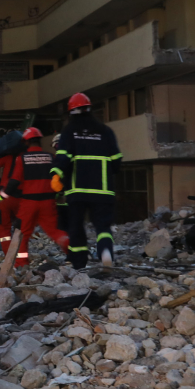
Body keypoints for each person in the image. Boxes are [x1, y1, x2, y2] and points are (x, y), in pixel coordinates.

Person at [55, 93, 122, 268]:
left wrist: (56, 175)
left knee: (76, 226)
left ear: (71, 111)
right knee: (103, 226)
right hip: (103, 189)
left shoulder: (69, 131)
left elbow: (63, 157)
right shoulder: (106, 131)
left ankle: (79, 263)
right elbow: (117, 160)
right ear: (89, 108)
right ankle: (106, 251)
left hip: (77, 189)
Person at [0, 127, 70, 267]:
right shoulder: (51, 157)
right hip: (48, 201)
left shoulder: (22, 159)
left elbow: (15, 181)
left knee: (23, 233)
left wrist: (4, 193)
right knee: (55, 231)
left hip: (29, 202)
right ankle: (69, 247)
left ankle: (21, 263)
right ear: (40, 141)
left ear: (26, 142)